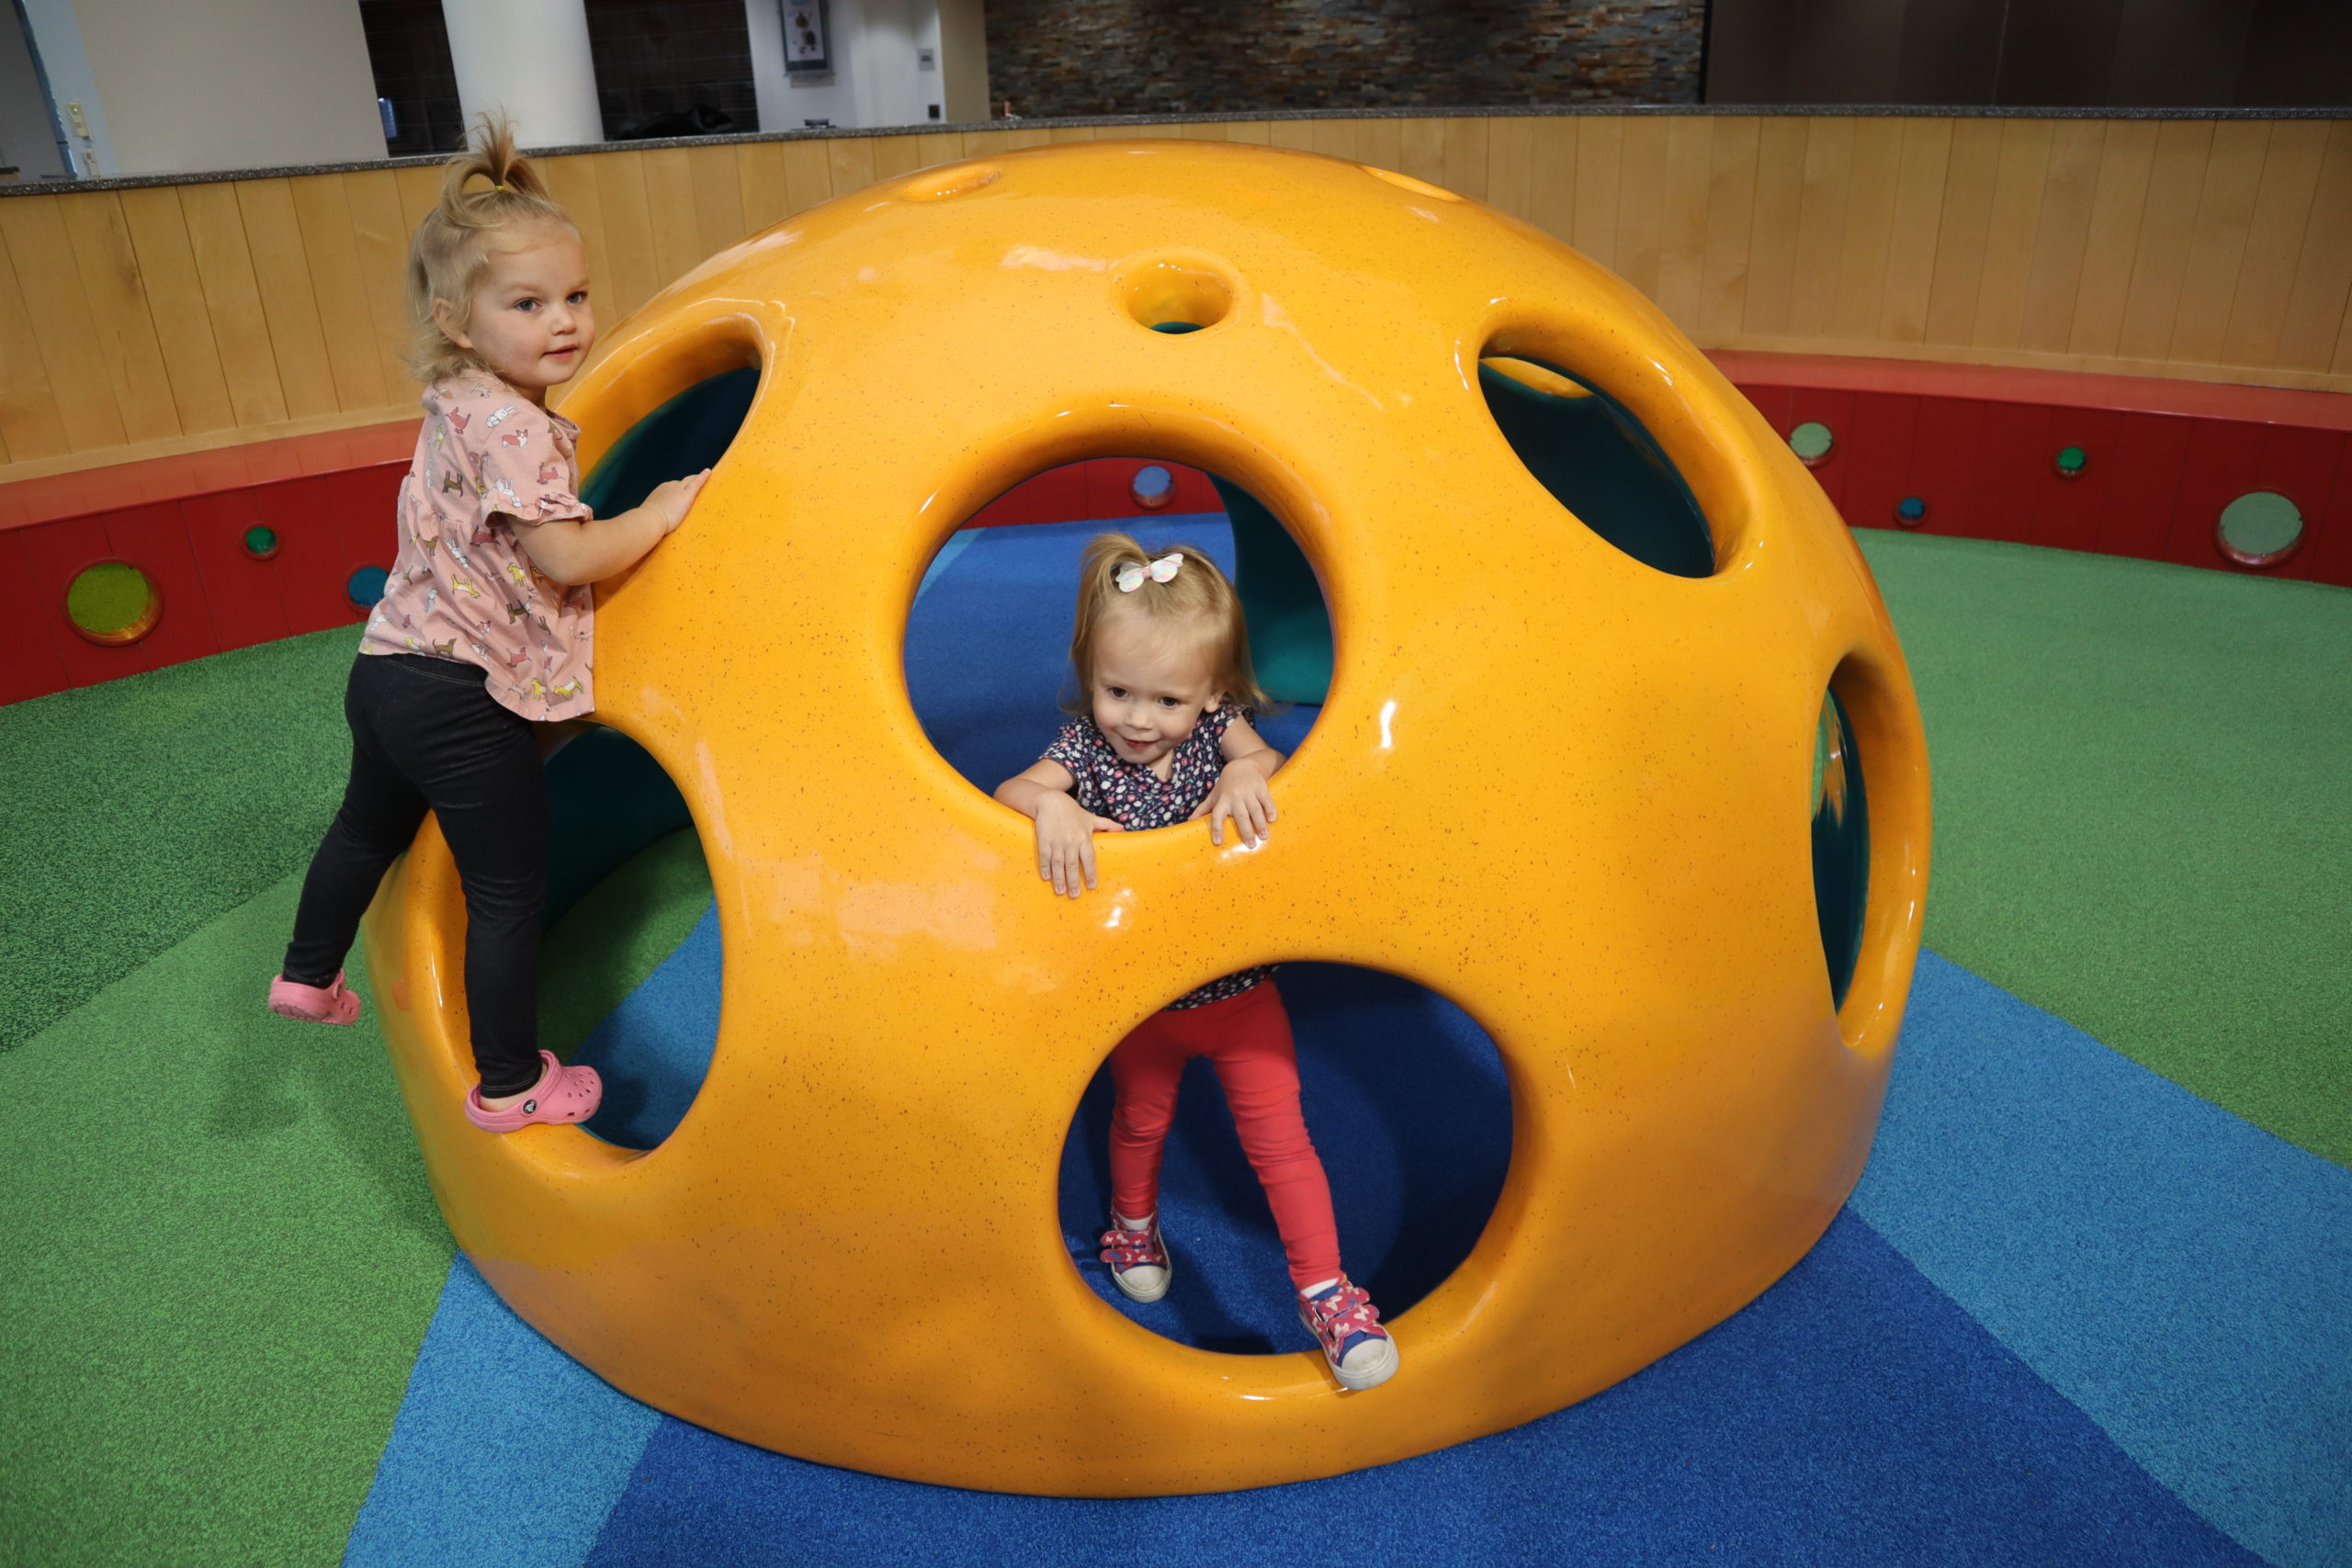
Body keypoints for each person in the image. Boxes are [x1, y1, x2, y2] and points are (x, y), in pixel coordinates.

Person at [266, 118, 708, 1134]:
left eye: (575, 296)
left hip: (385, 673)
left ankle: (305, 972)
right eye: (528, 304)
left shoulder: (456, 400)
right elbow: (563, 555)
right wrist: (655, 513)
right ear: (457, 319)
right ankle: (511, 1084)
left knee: (364, 828)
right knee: (507, 891)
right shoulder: (515, 427)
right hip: (460, 701)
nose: (564, 322)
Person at [994, 534, 1398, 1391]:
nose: (1138, 718)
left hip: (1243, 992)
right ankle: (1131, 1224)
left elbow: (1263, 757)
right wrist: (1050, 812)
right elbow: (1014, 790)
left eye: (1167, 699)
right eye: (1116, 690)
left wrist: (1253, 771)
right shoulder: (1086, 753)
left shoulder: (1219, 731)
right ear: (1090, 677)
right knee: (1139, 1117)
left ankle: (1326, 1292)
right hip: (1145, 999)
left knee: (1284, 1142)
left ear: (1212, 693)